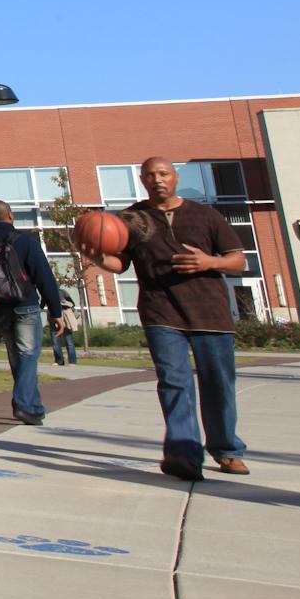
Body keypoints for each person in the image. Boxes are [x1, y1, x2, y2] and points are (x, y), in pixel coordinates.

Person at [78, 157, 250, 481]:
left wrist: (207, 263)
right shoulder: (132, 218)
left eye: (164, 173)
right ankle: (183, 454)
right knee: (174, 383)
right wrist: (97, 255)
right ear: (142, 180)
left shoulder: (205, 215)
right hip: (161, 311)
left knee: (218, 385)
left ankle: (226, 449)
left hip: (209, 313)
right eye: (150, 175)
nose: (157, 180)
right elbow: (121, 265)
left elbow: (237, 260)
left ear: (175, 177)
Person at [0, 200, 66, 424]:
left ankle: (33, 408)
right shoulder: (24, 241)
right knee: (28, 355)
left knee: (18, 358)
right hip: (26, 306)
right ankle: (23, 403)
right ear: (11, 216)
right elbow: (44, 277)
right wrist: (56, 311)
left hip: (1, 308)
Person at [53, 299, 80, 366]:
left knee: (69, 342)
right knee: (56, 343)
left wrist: (71, 319)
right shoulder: (49, 291)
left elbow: (73, 306)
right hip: (55, 321)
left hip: (67, 322)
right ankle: (59, 361)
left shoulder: (64, 293)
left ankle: (72, 361)